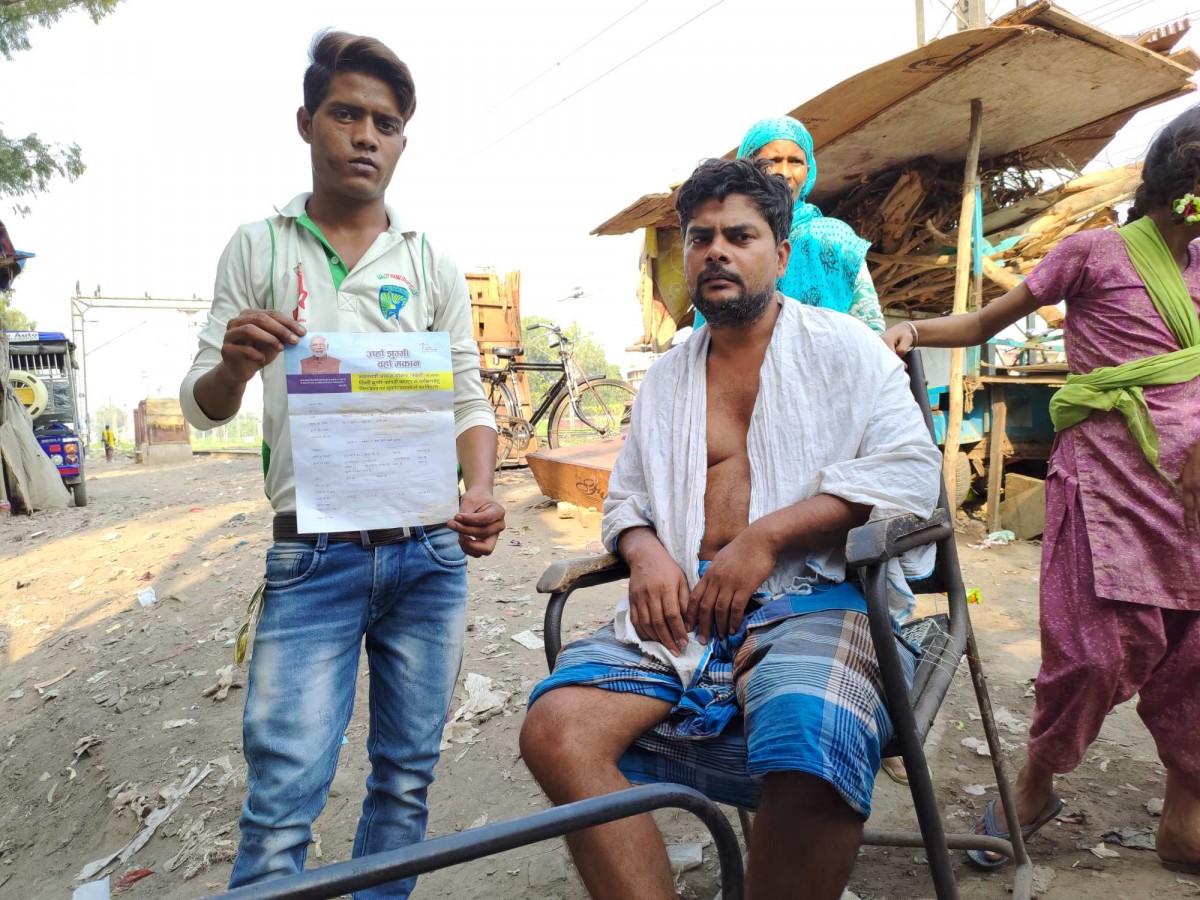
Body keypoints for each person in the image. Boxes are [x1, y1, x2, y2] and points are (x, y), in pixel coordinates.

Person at [519, 157, 942, 900]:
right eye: (700, 237)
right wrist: (644, 553)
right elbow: (627, 499)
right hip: (685, 614)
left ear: (780, 254)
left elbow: (911, 472)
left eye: (739, 236)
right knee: (556, 730)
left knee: (811, 734)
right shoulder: (666, 379)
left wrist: (768, 537)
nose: (716, 250)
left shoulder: (846, 349)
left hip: (817, 599)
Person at [179, 31, 506, 898]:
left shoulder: (429, 261)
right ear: (306, 122)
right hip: (311, 555)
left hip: (428, 555)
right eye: (346, 114)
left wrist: (479, 489)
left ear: (402, 141)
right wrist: (233, 366)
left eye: (386, 124)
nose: (366, 136)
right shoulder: (259, 247)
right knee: (281, 804)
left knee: (405, 781)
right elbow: (203, 406)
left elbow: (468, 400)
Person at [882, 106, 1200, 875]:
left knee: (1194, 658)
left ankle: (1185, 819)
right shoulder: (1092, 252)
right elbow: (986, 322)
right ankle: (1036, 780)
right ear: (1185, 183)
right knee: (1091, 654)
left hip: (1193, 495)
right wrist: (913, 331)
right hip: (1106, 484)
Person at [692, 116, 885, 336]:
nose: (784, 173)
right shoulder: (723, 237)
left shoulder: (834, 236)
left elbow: (870, 323)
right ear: (749, 167)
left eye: (795, 161)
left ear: (808, 170)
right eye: (773, 160)